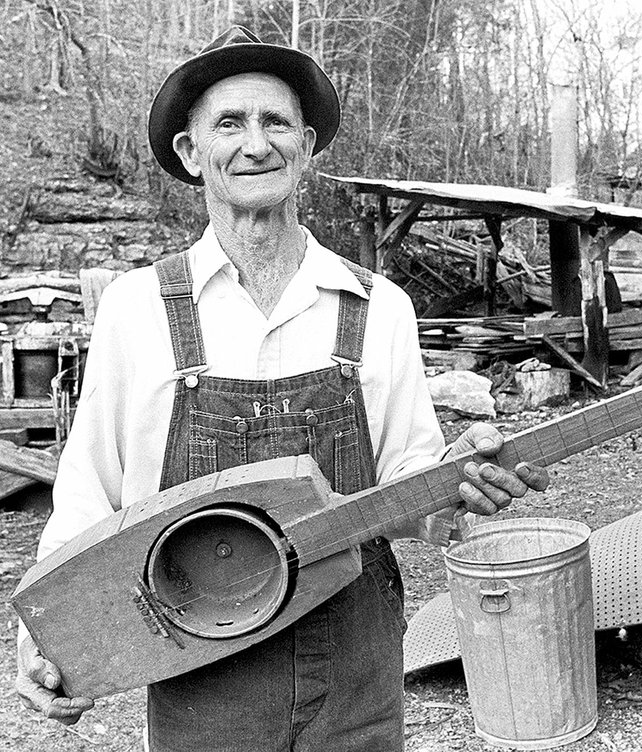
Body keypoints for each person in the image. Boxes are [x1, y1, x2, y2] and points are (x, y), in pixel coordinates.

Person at [16, 26, 548, 752]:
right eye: (229, 123)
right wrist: (48, 633)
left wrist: (457, 483)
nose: (255, 143)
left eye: (275, 122)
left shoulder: (377, 306)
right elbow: (87, 496)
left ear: (306, 146)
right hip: (199, 668)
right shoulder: (138, 307)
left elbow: (407, 486)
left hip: (355, 661)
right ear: (189, 152)